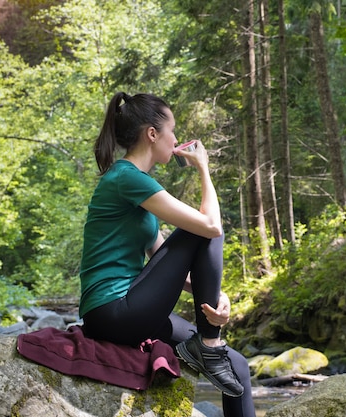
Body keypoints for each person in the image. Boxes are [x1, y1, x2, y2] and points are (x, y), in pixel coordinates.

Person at [79, 92, 256, 417]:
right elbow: (211, 226)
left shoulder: (138, 185)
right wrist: (204, 168)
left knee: (238, 367)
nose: (175, 139)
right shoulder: (126, 177)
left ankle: (211, 346)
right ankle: (209, 343)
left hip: (132, 309)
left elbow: (167, 262)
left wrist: (217, 296)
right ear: (152, 134)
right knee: (201, 227)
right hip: (112, 311)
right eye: (172, 130)